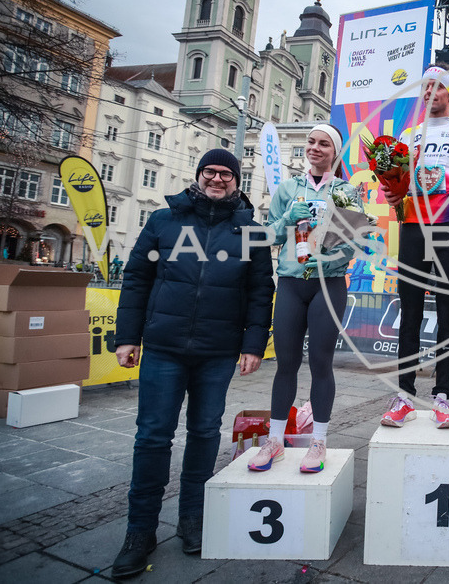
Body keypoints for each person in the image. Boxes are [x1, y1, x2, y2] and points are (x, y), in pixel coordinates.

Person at [111, 148, 274, 578]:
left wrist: (254, 344)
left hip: (217, 351)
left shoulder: (251, 232)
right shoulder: (163, 221)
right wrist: (126, 337)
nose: (217, 179)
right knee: (152, 438)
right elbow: (136, 278)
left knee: (204, 434)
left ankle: (192, 519)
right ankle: (139, 531)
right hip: (163, 346)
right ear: (198, 175)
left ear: (237, 181)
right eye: (210, 172)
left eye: (226, 174)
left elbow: (261, 291)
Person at [247, 125, 365, 472]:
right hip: (290, 283)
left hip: (328, 285)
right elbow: (266, 236)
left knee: (320, 363)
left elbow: (354, 241)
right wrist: (288, 219)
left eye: (324, 143)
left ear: (335, 152)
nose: (315, 148)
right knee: (285, 363)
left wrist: (330, 259)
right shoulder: (287, 188)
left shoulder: (345, 191)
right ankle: (275, 440)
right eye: (311, 142)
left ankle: (319, 442)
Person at [378, 63, 449, 428]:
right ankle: (404, 396)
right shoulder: (408, 135)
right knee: (409, 311)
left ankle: (442, 397)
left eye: (437, 86)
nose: (429, 92)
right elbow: (396, 183)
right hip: (413, 227)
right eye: (425, 86)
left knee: (447, 311)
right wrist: (392, 194)